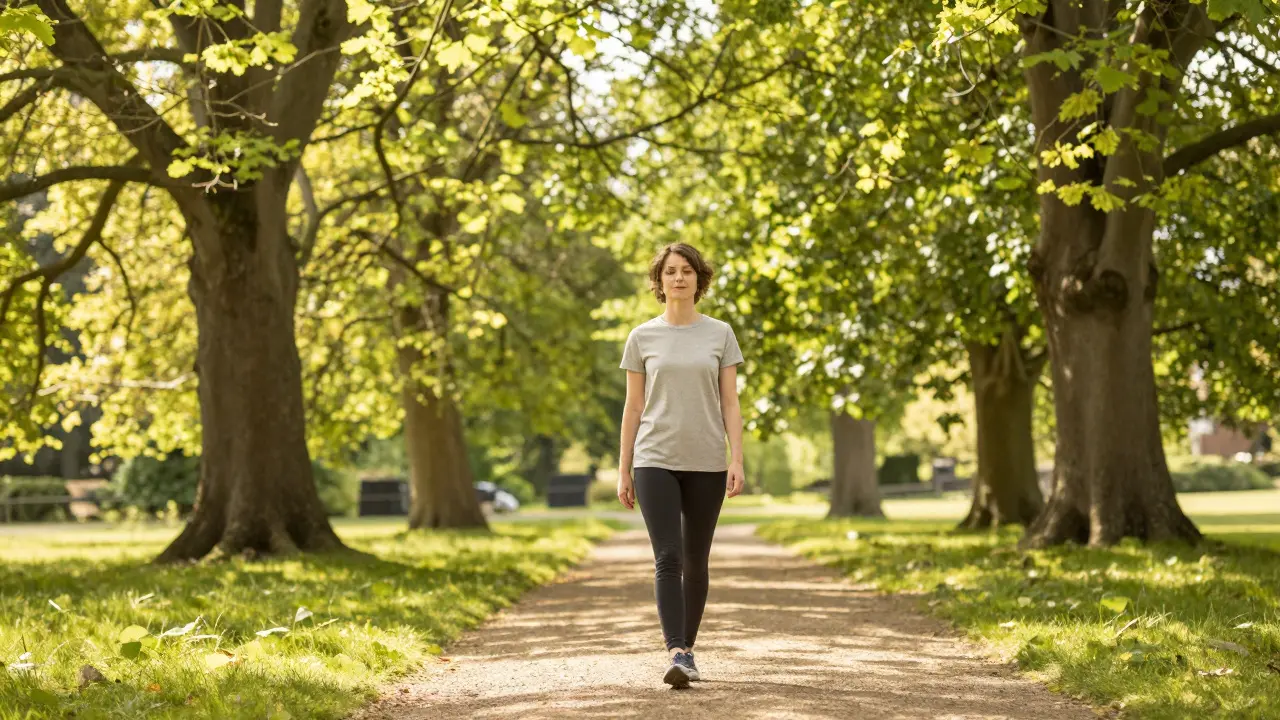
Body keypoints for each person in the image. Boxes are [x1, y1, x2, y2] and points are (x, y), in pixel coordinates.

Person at [617, 242, 746, 688]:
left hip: (707, 460)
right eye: (670, 271)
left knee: (696, 558)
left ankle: (687, 652)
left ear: (699, 279)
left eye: (687, 271)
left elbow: (730, 401)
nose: (678, 278)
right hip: (654, 459)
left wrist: (737, 458)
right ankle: (675, 649)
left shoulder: (720, 334)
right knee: (667, 557)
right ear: (659, 281)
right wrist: (624, 469)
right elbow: (633, 408)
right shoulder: (642, 337)